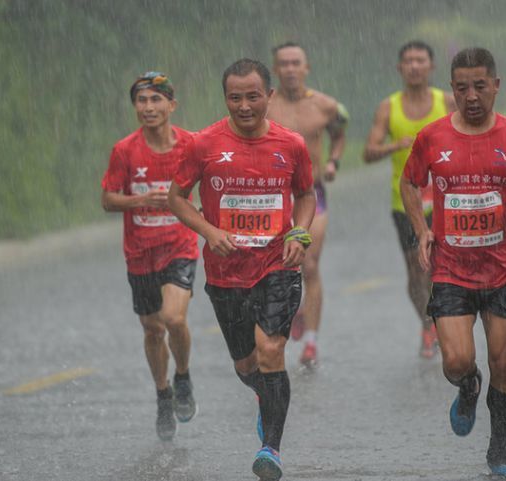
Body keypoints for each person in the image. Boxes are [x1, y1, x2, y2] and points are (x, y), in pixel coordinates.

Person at [168, 58, 315, 481]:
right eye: (236, 98)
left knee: (271, 351)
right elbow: (176, 198)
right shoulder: (203, 144)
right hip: (226, 271)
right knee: (247, 366)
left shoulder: (292, 144)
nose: (245, 106)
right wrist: (209, 231)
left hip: (277, 265)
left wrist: (298, 235)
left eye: (253, 96)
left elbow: (305, 195)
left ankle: (271, 448)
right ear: (225, 98)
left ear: (269, 95)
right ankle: (264, 397)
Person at [400, 48, 506, 478]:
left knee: (504, 363)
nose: (472, 96)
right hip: (451, 270)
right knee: (457, 361)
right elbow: (410, 182)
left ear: (495, 85)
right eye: (462, 87)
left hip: (504, 269)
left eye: (480, 86)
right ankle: (467, 385)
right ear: (453, 89)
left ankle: (497, 451)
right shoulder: (432, 137)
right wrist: (422, 230)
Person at [101, 72, 199, 442]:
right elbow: (108, 199)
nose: (148, 108)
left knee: (174, 317)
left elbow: (215, 176)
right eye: (141, 101)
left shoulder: (191, 144)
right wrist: (141, 199)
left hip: (180, 245)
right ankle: (163, 393)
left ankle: (184, 376)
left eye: (156, 100)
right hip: (140, 252)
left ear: (172, 105)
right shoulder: (125, 151)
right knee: (152, 328)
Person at [363, 40, 456, 358]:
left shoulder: (447, 101)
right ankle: (427, 323)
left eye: (420, 60)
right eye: (408, 61)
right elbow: (368, 152)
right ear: (399, 68)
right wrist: (396, 145)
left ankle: (445, 324)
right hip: (405, 202)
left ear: (431, 66)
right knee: (417, 271)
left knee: (442, 269)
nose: (415, 66)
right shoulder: (389, 107)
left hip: (446, 201)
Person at [266, 42, 348, 367]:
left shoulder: (326, 106)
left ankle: (311, 341)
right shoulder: (265, 105)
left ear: (306, 67)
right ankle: (290, 312)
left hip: (312, 193)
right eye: (283, 63)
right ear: (275, 69)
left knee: (309, 263)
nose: (289, 69)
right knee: (277, 266)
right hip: (273, 194)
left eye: (295, 63)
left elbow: (339, 133)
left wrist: (333, 162)